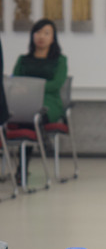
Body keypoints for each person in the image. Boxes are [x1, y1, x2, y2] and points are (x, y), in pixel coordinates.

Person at [12, 18, 67, 180]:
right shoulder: (23, 60)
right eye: (38, 32)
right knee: (28, 117)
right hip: (25, 101)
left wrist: (31, 87)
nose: (41, 36)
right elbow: (15, 81)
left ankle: (22, 169)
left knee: (31, 117)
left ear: (53, 38)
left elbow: (56, 84)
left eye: (46, 33)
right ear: (32, 36)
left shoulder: (60, 60)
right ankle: (41, 138)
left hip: (49, 102)